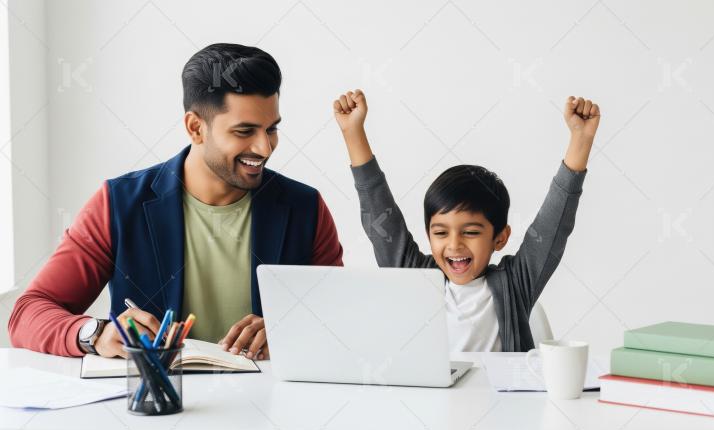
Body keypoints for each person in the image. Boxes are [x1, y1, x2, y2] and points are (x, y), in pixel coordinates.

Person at [8, 43, 344, 360]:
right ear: (196, 128)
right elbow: (28, 314)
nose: (264, 148)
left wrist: (290, 331)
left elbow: (342, 322)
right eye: (244, 132)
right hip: (159, 409)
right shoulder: (119, 202)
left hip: (273, 410)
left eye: (271, 129)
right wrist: (97, 333)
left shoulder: (306, 208)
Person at [333, 89, 599, 351]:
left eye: (470, 232)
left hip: (496, 396)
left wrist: (581, 139)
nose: (454, 244)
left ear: (500, 238)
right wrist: (352, 132)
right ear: (428, 235)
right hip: (431, 396)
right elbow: (382, 222)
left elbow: (553, 226)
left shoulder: (516, 284)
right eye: (440, 233)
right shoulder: (417, 278)